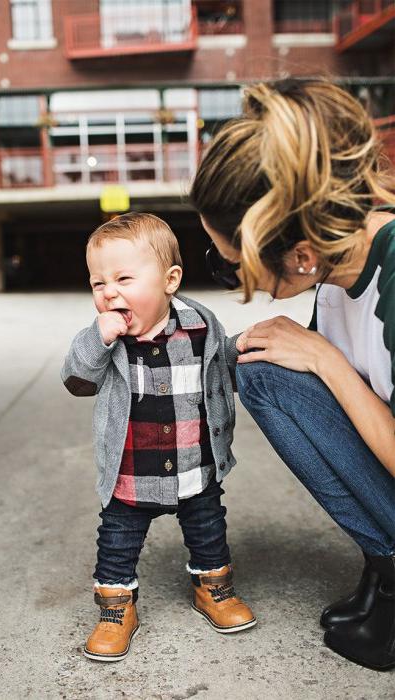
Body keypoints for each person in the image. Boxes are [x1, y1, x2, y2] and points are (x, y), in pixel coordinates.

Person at [190, 77, 395, 672]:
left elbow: (342, 374)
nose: (237, 281)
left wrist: (325, 360)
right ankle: (381, 569)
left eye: (233, 267)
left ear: (302, 254)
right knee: (263, 367)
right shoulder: (336, 261)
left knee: (286, 365)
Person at [61, 213, 256, 662]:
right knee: (117, 542)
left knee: (209, 530)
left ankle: (214, 591)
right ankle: (116, 612)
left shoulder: (200, 324)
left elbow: (220, 369)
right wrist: (98, 339)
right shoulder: (105, 339)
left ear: (170, 280)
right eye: (97, 283)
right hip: (131, 473)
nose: (109, 291)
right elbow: (76, 379)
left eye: (123, 278)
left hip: (195, 464)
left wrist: (243, 346)